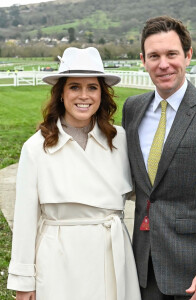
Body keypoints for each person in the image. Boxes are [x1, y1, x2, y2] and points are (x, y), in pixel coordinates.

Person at [122, 16, 196, 300]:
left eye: (171, 54)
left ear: (188, 56)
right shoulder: (133, 108)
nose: (163, 64)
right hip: (145, 266)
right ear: (143, 60)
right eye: (154, 56)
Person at [7, 47, 141, 300]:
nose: (84, 95)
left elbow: (148, 192)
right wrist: (24, 280)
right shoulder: (36, 148)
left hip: (112, 254)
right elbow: (25, 219)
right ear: (60, 94)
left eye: (92, 87)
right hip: (59, 260)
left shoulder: (120, 139)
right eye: (74, 87)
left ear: (102, 93)